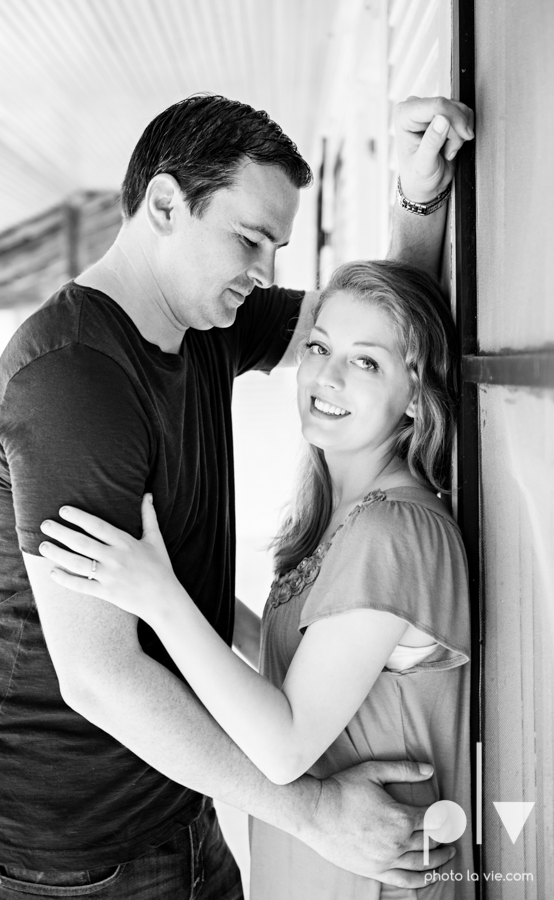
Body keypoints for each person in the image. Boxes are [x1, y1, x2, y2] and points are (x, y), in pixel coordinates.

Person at [0, 94, 474, 899]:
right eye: (248, 238)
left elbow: (380, 331)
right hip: (60, 856)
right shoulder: (71, 383)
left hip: (182, 808)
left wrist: (417, 192)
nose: (264, 268)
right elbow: (98, 676)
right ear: (165, 204)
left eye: (276, 244)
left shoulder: (205, 319)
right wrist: (311, 815)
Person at [42, 259, 472, 899]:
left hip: (375, 876)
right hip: (320, 868)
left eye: (366, 362)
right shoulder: (342, 513)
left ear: (416, 398)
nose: (325, 375)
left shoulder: (393, 533)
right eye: (320, 346)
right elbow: (300, 651)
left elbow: (286, 744)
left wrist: (159, 597)